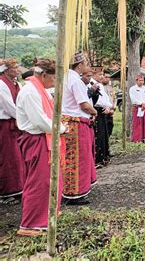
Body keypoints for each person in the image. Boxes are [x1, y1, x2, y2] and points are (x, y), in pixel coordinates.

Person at [16, 59, 65, 236]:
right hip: (37, 140)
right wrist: (61, 128)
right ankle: (29, 224)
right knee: (38, 181)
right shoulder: (30, 92)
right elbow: (39, 120)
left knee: (49, 180)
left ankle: (48, 212)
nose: (54, 83)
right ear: (43, 75)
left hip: (45, 138)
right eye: (53, 79)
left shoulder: (39, 89)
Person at [61, 51, 97, 205]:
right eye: (86, 63)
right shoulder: (75, 80)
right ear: (80, 65)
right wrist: (94, 112)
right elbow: (83, 104)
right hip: (75, 124)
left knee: (70, 158)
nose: (87, 67)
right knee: (78, 159)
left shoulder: (66, 77)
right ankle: (74, 193)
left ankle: (70, 190)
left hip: (68, 122)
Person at [0, 58, 25, 204]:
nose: (17, 69)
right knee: (8, 158)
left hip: (16, 123)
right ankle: (7, 191)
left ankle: (18, 187)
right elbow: (9, 106)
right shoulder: (2, 83)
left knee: (17, 157)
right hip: (5, 124)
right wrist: (22, 118)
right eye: (14, 67)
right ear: (6, 69)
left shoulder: (17, 84)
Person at [92, 70, 114, 167]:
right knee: (97, 135)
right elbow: (96, 101)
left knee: (104, 134)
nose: (101, 76)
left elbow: (105, 99)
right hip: (96, 110)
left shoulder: (99, 85)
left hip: (103, 110)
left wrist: (108, 107)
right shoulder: (91, 84)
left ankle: (103, 157)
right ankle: (96, 159)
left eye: (102, 74)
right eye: (99, 74)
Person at [130, 74, 145, 142]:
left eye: (142, 80)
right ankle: (136, 139)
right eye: (140, 80)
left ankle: (143, 138)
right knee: (137, 124)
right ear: (136, 81)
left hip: (144, 108)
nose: (141, 82)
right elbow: (133, 99)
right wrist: (141, 103)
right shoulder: (133, 89)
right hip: (137, 107)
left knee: (144, 123)